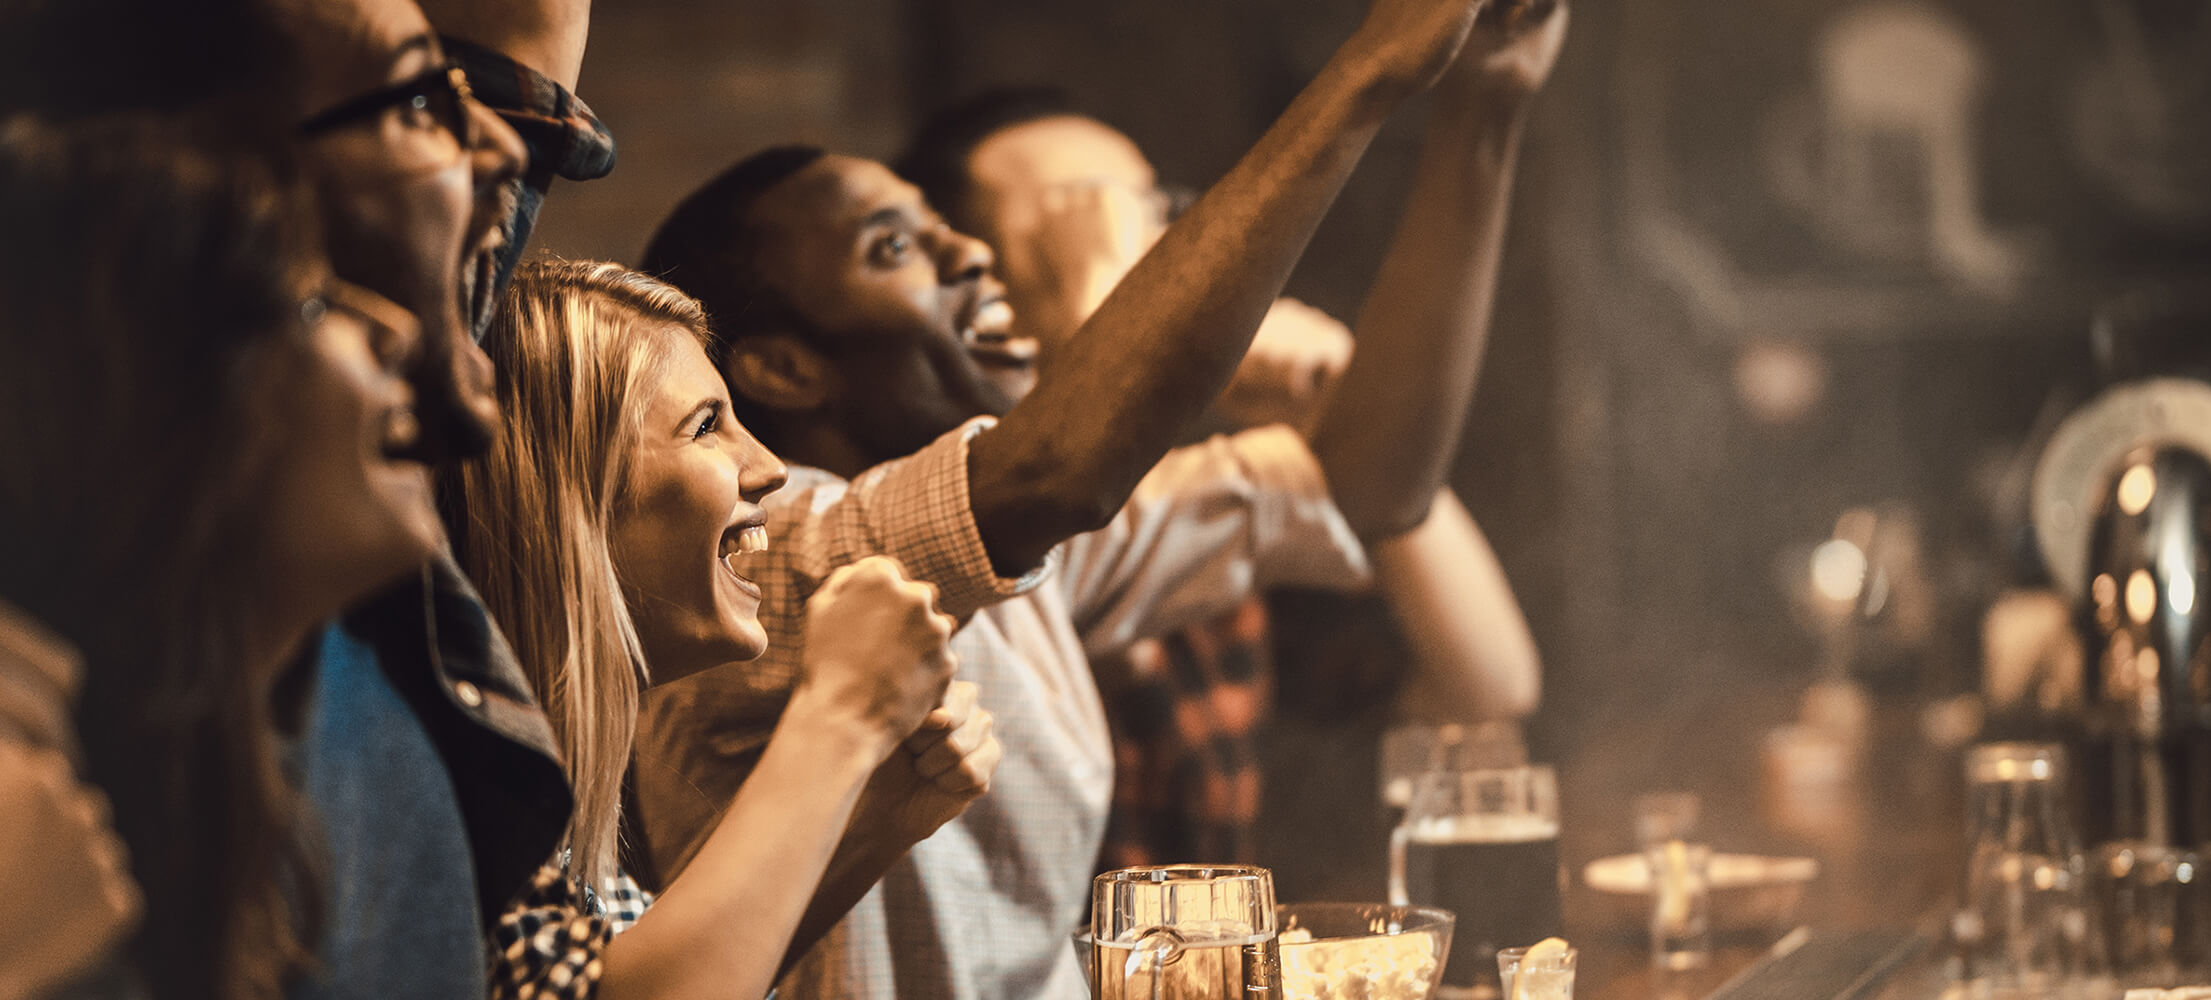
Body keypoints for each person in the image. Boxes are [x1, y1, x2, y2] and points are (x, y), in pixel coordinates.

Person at [630, 2, 1552, 997]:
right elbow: (1055, 470)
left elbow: (1373, 479)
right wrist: (1368, 71)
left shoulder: (1028, 552)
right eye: (895, 248)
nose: (968, 257)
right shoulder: (762, 558)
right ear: (785, 366)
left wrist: (1481, 112)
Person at [891, 13, 1563, 862]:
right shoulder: (921, 520)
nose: (1143, 249)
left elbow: (1488, 685)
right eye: (1078, 223)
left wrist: (1337, 411)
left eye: (1150, 210)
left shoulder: (1195, 500)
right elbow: (1046, 500)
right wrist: (1108, 320)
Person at [446, 259, 1002, 1000]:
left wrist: (875, 823)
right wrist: (843, 717)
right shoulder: (457, 778)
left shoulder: (549, 790)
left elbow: (632, 980)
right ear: (564, 495)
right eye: (706, 425)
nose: (769, 467)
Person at [0, 115, 445, 999]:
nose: (394, 331)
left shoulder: (196, 777)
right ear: (162, 396)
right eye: (314, 299)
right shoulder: (20, 800)